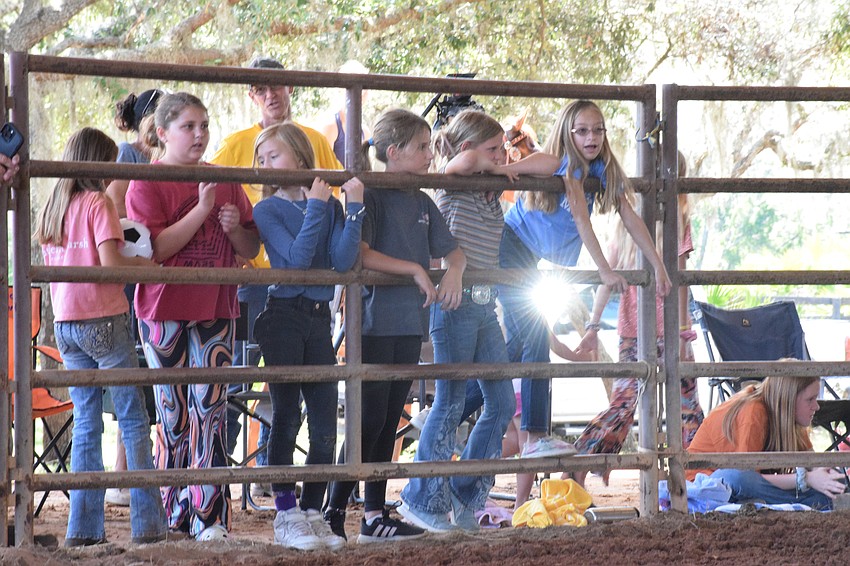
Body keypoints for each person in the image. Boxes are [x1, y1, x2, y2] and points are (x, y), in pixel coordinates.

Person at [498, 99, 671, 507]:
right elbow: (579, 217)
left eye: (598, 130)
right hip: (515, 249)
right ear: (567, 132)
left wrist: (659, 266)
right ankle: (535, 435)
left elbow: (630, 217)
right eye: (582, 131)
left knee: (516, 350)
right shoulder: (560, 163)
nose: (591, 138)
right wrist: (605, 272)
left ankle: (474, 393)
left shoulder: (603, 170)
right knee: (533, 341)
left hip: (539, 260)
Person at [323, 108, 465, 544]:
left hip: (408, 322)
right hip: (374, 322)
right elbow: (361, 253)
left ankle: (372, 514)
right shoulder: (375, 195)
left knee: (389, 422)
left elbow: (452, 251)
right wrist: (415, 270)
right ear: (393, 151)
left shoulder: (423, 201)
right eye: (422, 147)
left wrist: (453, 270)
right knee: (367, 420)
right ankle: (332, 509)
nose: (429, 155)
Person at [125, 92, 260, 541]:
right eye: (189, 126)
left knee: (212, 410)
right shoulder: (145, 182)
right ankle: (175, 512)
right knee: (174, 414)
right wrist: (202, 210)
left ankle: (211, 518)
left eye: (204, 124)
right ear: (162, 134)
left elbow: (249, 248)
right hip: (163, 310)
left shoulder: (225, 180)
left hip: (215, 307)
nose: (200, 134)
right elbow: (156, 250)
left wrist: (233, 228)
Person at [211, 57, 342, 483]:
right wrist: (229, 229)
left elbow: (331, 193)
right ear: (251, 95)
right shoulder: (237, 145)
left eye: (279, 86)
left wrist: (344, 211)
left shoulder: (311, 140)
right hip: (264, 282)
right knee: (242, 384)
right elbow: (209, 177)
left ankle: (304, 500)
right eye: (261, 88)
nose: (271, 95)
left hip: (315, 294)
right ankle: (225, 476)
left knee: (305, 406)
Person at [34, 127, 167, 547]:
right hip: (104, 319)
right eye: (109, 163)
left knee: (87, 424)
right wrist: (154, 269)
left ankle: (83, 529)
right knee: (132, 420)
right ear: (97, 164)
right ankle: (148, 526)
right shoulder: (98, 203)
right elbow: (110, 265)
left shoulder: (53, 207)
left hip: (67, 324)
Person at [398, 110, 517, 533]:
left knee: (501, 402)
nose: (501, 157)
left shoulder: (492, 192)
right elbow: (460, 163)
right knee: (450, 400)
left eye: (503, 149)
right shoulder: (451, 185)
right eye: (493, 149)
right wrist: (483, 162)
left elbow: (549, 162)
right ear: (469, 150)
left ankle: (465, 495)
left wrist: (504, 164)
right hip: (454, 305)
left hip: (485, 305)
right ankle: (421, 499)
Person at [250, 123, 365, 550]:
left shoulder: (328, 205)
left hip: (317, 318)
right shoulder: (268, 211)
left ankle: (314, 511)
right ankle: (285, 511)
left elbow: (340, 261)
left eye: (273, 156)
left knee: (322, 420)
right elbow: (297, 261)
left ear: (300, 157)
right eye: (260, 160)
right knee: (286, 414)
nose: (265, 165)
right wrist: (320, 206)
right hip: (281, 316)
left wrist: (352, 209)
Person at [572, 153, 704, 486]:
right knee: (671, 404)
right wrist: (593, 323)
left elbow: (678, 282)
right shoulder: (643, 223)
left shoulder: (664, 222)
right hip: (652, 330)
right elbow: (680, 282)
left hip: (642, 330)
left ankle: (692, 473)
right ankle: (694, 475)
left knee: (636, 404)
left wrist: (594, 324)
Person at [104, 88, 164, 507]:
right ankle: (123, 476)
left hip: (154, 267)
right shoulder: (130, 155)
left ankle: (134, 474)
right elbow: (112, 205)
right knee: (136, 372)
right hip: (134, 269)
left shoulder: (167, 159)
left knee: (149, 373)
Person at [687, 373, 846, 509]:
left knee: (835, 481)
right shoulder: (753, 412)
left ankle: (762, 505)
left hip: (752, 488)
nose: (816, 406)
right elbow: (746, 478)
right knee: (734, 477)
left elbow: (812, 462)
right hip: (706, 486)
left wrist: (826, 475)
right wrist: (806, 479)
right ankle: (779, 505)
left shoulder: (788, 418)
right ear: (788, 399)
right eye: (810, 399)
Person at [317, 59, 371, 165]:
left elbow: (366, 168)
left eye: (364, 88)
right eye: (351, 88)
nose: (361, 93)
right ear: (341, 90)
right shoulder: (331, 127)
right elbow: (324, 168)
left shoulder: (365, 132)